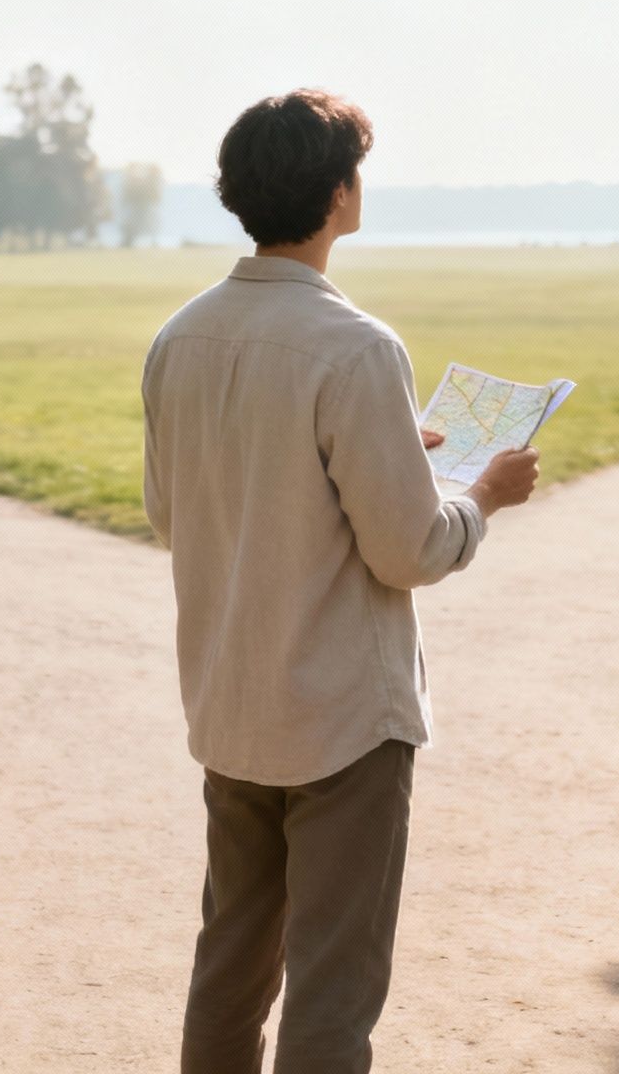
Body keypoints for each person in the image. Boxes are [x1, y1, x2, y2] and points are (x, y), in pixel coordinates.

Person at [140, 89, 541, 1074]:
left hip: (229, 705)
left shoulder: (177, 339)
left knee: (229, 960)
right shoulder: (357, 346)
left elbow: (171, 513)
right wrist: (484, 495)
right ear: (338, 194)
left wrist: (378, 452)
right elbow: (409, 551)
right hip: (342, 723)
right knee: (332, 983)